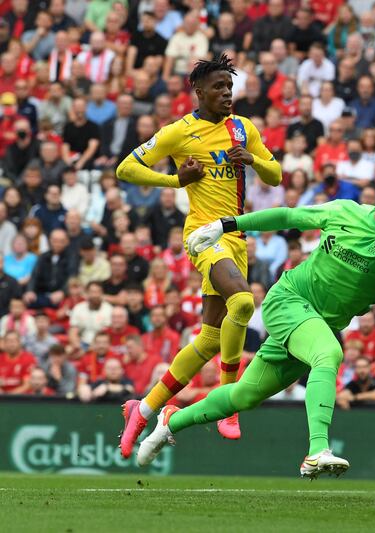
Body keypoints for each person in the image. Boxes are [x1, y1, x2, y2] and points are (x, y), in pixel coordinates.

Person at [136, 168, 375, 478]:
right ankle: (316, 451)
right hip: (288, 300)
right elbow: (288, 217)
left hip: (314, 322)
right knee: (328, 354)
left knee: (244, 397)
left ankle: (170, 422)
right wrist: (226, 224)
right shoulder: (344, 211)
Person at [115, 54, 283, 454]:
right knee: (243, 302)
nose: (227, 94)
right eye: (219, 88)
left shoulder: (243, 130)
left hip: (235, 237)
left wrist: (255, 161)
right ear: (199, 91)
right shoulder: (179, 132)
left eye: (230, 87)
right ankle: (229, 405)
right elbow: (126, 168)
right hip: (203, 235)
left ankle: (146, 406)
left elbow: (276, 176)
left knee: (210, 338)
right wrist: (175, 180)